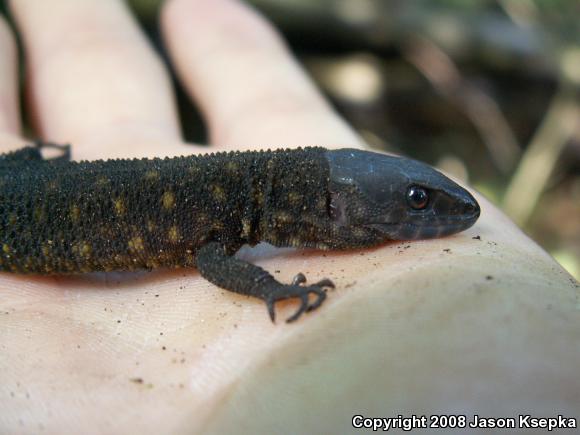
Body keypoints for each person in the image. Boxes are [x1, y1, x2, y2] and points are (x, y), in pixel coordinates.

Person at [1, 0, 578, 433]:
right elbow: (209, 258)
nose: (430, 209)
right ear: (332, 205)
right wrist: (270, 288)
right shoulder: (228, 204)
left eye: (416, 199)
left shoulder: (239, 198)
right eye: (417, 202)